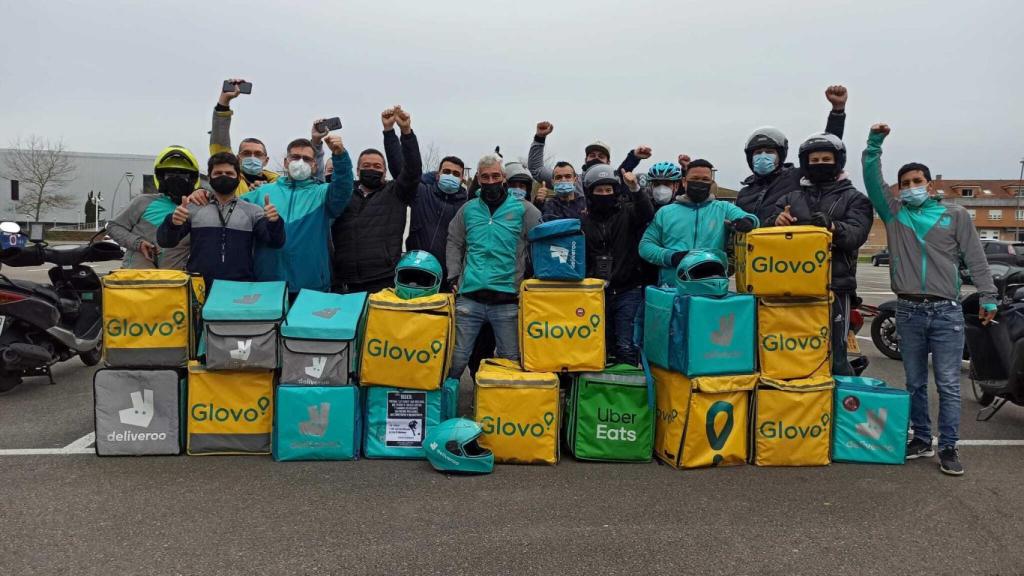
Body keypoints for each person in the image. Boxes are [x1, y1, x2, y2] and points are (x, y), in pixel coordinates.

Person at [862, 123, 996, 475]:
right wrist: (875, 144)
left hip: (946, 312)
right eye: (904, 183)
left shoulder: (955, 215)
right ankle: (921, 439)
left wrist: (988, 296)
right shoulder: (894, 214)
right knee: (915, 382)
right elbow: (872, 180)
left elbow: (976, 259)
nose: (910, 188)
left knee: (949, 384)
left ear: (929, 185)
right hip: (908, 311)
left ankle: (948, 447)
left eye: (916, 181)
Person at [773, 132, 873, 377]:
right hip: (793, 286)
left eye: (825, 159)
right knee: (794, 351)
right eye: (814, 161)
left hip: (835, 286)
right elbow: (765, 230)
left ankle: (838, 408)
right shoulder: (790, 197)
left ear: (837, 161)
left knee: (835, 356)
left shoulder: (855, 198)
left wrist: (834, 228)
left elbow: (856, 234)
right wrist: (776, 221)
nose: (820, 165)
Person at [446, 155, 542, 379]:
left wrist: (533, 282)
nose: (491, 181)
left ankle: (504, 409)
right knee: (456, 360)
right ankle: (444, 406)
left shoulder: (525, 210)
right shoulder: (468, 209)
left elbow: (541, 243)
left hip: (507, 300)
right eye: (486, 177)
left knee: (511, 361)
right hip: (469, 299)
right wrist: (454, 276)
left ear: (504, 178)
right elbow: (454, 240)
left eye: (495, 176)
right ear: (478, 179)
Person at [156, 152, 285, 288]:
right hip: (199, 287)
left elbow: (275, 242)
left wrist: (275, 222)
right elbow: (165, 241)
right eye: (218, 173)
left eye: (229, 174)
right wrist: (173, 223)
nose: (224, 177)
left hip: (239, 287)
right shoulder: (193, 208)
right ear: (209, 177)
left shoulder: (253, 211)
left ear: (238, 177)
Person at [331, 106, 423, 294]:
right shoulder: (343, 194)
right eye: (366, 165)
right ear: (357, 170)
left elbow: (412, 170)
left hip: (382, 280)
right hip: (344, 281)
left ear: (384, 171)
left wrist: (401, 132)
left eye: (377, 166)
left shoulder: (396, 193)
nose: (371, 169)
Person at [736, 85, 849, 225]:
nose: (763, 156)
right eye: (758, 153)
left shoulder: (796, 177)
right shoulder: (744, 194)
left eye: (770, 152)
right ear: (750, 158)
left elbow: (826, 149)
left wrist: (837, 112)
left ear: (781, 156)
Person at [640, 159, 758, 286]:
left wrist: (747, 221)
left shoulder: (724, 208)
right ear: (684, 182)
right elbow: (645, 246)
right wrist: (672, 257)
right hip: (671, 289)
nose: (699, 183)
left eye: (705, 180)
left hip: (711, 288)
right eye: (695, 178)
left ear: (711, 183)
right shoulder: (665, 213)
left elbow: (749, 219)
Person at [581, 164, 654, 366]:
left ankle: (627, 392)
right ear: (590, 192)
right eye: (599, 190)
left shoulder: (629, 213)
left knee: (626, 346)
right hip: (594, 293)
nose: (604, 194)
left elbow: (647, 214)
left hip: (628, 290)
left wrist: (635, 189)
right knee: (597, 346)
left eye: (608, 190)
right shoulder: (583, 221)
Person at [106, 145, 200, 270]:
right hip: (138, 277)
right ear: (160, 177)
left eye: (184, 176)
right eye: (170, 175)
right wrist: (138, 243)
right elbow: (113, 226)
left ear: (193, 179)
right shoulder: (142, 202)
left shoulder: (198, 209)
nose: (177, 179)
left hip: (175, 281)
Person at [528, 121, 652, 199]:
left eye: (601, 156)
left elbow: (623, 173)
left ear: (608, 163)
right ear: (585, 159)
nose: (596, 158)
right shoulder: (571, 180)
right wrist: (539, 138)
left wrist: (634, 157)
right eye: (592, 155)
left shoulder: (615, 182)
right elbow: (537, 169)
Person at [406, 155, 469, 289]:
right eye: (446, 172)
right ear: (437, 175)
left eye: (456, 174)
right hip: (414, 272)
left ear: (462, 179)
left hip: (447, 280)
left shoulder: (467, 207)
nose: (451, 176)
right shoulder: (421, 192)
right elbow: (403, 172)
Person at [210, 79, 279, 194]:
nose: (252, 158)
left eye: (258, 154)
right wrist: (224, 101)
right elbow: (220, 143)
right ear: (237, 158)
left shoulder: (279, 185)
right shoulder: (230, 178)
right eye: (246, 153)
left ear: (266, 160)